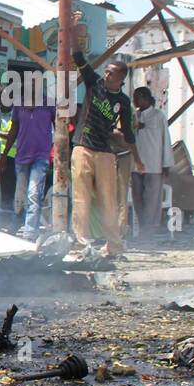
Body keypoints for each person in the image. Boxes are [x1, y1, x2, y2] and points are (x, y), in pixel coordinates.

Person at [70, 49, 142, 256]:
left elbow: (128, 134)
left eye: (112, 73)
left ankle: (114, 246)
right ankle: (81, 244)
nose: (107, 75)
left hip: (106, 153)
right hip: (83, 147)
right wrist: (73, 28)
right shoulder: (95, 84)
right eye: (107, 71)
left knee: (108, 201)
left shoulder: (124, 101)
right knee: (81, 199)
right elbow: (78, 57)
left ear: (121, 78)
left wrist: (137, 158)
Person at [3, 95, 56, 240]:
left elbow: (58, 126)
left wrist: (58, 150)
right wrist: (4, 154)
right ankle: (17, 224)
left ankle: (30, 232)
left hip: (41, 156)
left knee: (33, 193)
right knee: (19, 195)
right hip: (21, 156)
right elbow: (14, 129)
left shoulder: (49, 103)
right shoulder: (19, 104)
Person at [131, 87, 171, 239]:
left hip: (154, 164)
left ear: (144, 98)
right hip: (136, 164)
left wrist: (166, 163)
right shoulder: (134, 115)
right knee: (138, 197)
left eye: (136, 97)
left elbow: (166, 140)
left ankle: (150, 229)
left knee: (152, 199)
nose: (134, 101)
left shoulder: (158, 116)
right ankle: (142, 227)